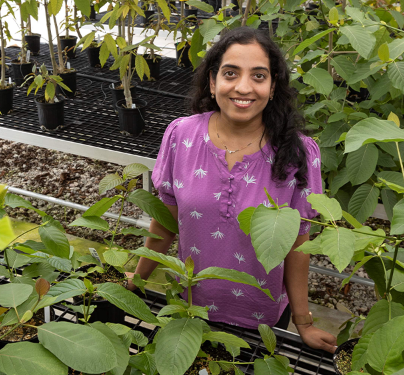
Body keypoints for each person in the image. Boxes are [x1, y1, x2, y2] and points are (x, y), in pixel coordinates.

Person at [127, 27, 337, 353]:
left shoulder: (299, 153)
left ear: (273, 86)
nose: (243, 87)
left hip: (263, 319)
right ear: (212, 82)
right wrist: (136, 280)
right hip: (191, 308)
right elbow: (166, 222)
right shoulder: (181, 136)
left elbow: (297, 242)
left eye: (258, 76)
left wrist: (304, 322)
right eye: (230, 73)